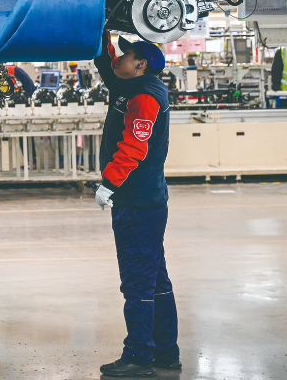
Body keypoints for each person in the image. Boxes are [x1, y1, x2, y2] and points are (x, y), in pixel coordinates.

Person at [92, 29, 178, 378]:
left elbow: (134, 148)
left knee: (138, 283)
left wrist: (109, 183)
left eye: (126, 55)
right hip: (145, 199)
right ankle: (166, 353)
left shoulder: (144, 97)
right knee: (157, 282)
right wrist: (100, 29)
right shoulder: (127, 85)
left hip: (137, 202)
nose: (119, 58)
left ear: (140, 65)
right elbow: (104, 61)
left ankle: (139, 356)